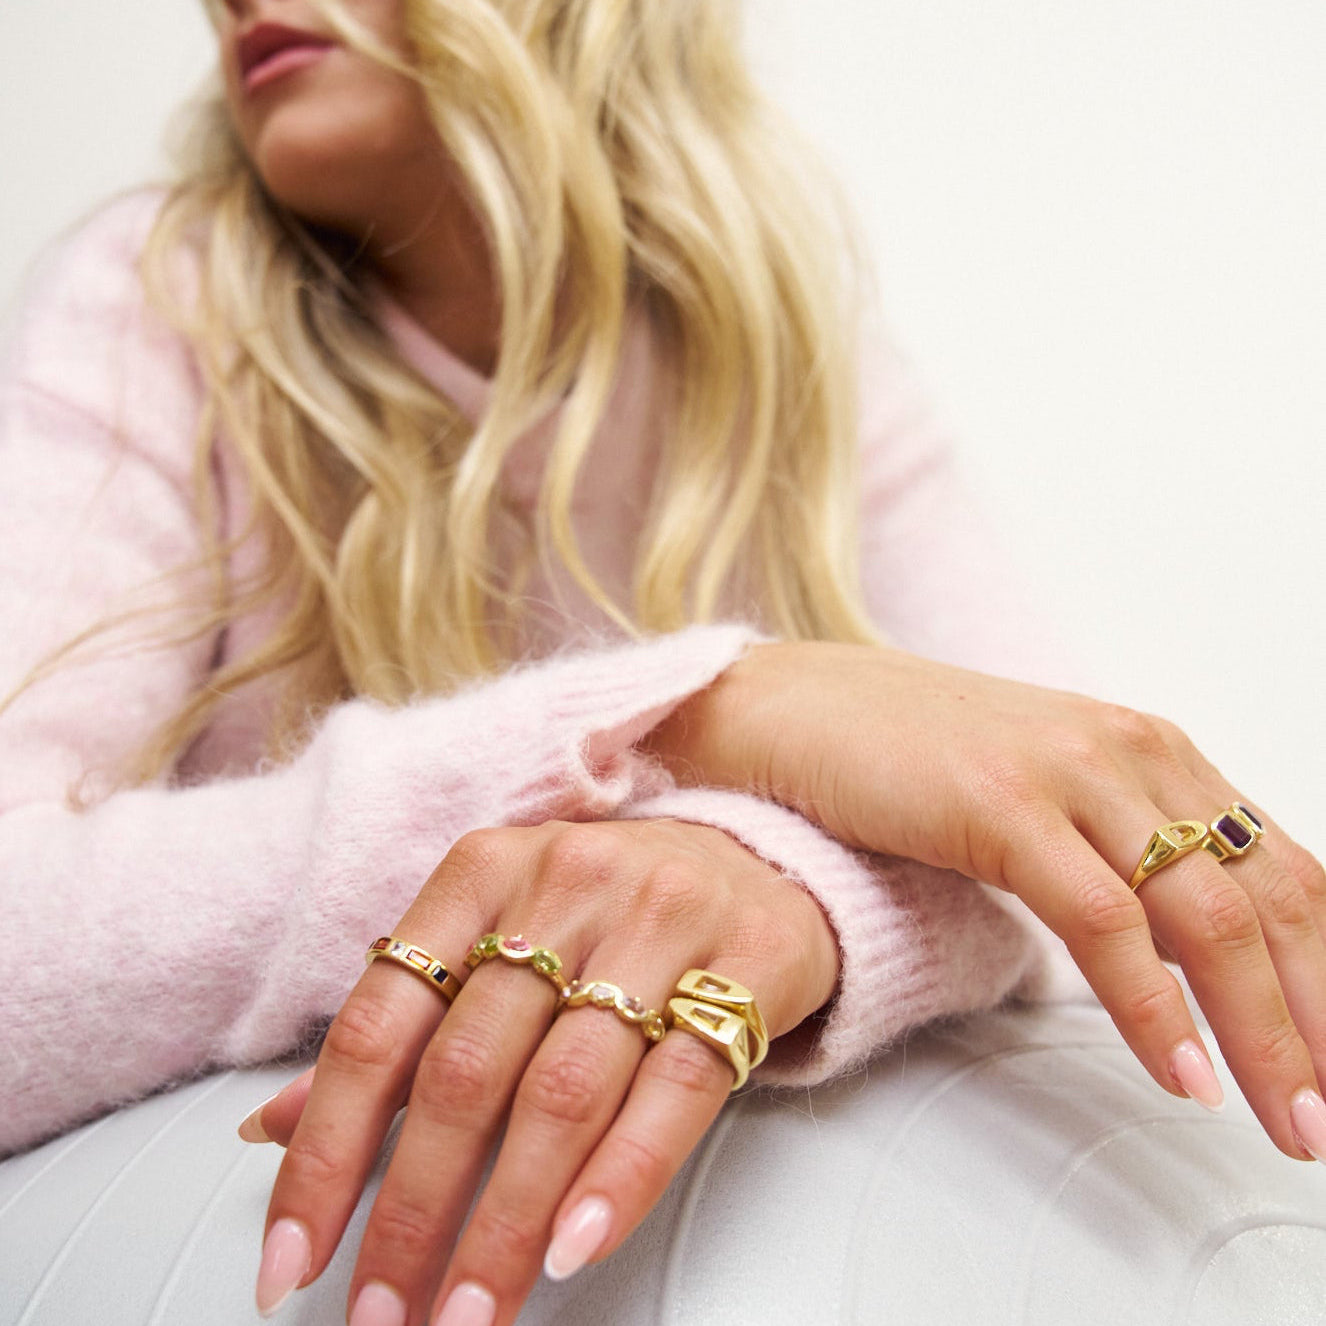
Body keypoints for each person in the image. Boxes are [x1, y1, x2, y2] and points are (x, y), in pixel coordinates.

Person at [2, 2, 1323, 1325]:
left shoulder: (788, 343)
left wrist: (779, 880)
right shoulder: (154, 297)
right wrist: (702, 710)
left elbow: (1073, 842)